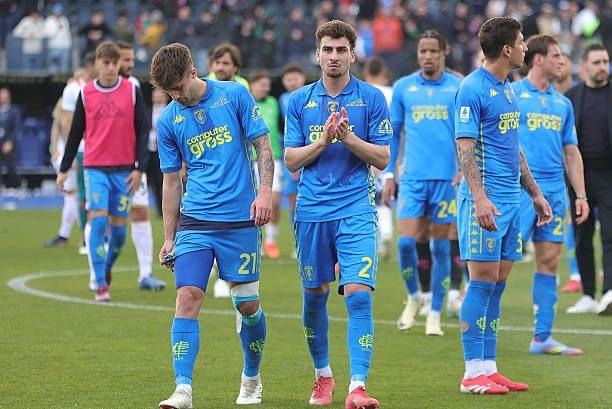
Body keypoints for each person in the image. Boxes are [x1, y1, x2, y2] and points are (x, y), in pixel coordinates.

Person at [150, 42, 273, 408]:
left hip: (240, 221)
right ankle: (183, 390)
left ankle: (251, 377)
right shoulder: (168, 120)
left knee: (247, 305)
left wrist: (265, 193)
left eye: (178, 87)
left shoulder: (234, 95)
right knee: (187, 297)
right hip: (195, 222)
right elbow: (171, 181)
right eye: (168, 92)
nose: (175, 96)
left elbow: (263, 146)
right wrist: (169, 237)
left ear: (193, 72)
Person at [284, 20, 391, 408]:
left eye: (341, 50)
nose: (334, 56)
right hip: (312, 212)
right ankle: (323, 376)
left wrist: (348, 138)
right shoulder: (299, 101)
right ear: (317, 54)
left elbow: (382, 158)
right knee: (314, 297)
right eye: (327, 50)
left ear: (352, 54)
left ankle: (357, 387)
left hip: (356, 208)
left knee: (359, 296)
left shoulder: (371, 98)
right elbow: (291, 160)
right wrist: (324, 140)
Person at [454, 17, 552, 394]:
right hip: (487, 202)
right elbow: (465, 148)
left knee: (496, 287)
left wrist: (535, 193)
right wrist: (479, 198)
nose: (526, 46)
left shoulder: (508, 88)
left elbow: (514, 147)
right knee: (480, 284)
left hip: (512, 200)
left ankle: (488, 367)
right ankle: (470, 374)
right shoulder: (472, 88)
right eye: (522, 41)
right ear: (507, 49)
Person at [381, 30, 462, 336]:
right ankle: (415, 296)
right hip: (412, 178)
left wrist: (465, 169)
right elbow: (393, 134)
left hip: (446, 179)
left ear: (444, 52)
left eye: (433, 51)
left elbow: (467, 132)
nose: (427, 56)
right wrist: (390, 174)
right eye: (422, 51)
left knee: (441, 247)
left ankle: (435, 314)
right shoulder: (404, 87)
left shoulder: (457, 87)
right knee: (406, 243)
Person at [512, 34, 589, 355]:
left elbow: (571, 151)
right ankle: (477, 328)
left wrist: (580, 195)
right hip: (517, 191)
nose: (563, 61)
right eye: (557, 55)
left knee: (549, 260)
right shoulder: (513, 94)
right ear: (538, 59)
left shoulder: (563, 104)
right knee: (499, 263)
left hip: (555, 192)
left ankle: (542, 337)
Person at [57, 42, 149, 302]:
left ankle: (107, 267)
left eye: (114, 63)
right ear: (96, 64)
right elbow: (75, 133)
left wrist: (140, 168)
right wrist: (64, 168)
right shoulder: (86, 93)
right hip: (95, 169)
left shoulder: (132, 90)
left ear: (119, 64)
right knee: (98, 222)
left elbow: (143, 131)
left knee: (119, 234)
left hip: (124, 171)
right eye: (105, 63)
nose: (109, 68)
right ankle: (100, 284)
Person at [113, 40, 166, 291]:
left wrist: (139, 163)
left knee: (141, 212)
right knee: (101, 220)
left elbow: (141, 128)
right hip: (101, 165)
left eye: (132, 59)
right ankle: (99, 276)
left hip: (131, 164)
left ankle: (145, 273)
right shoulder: (91, 90)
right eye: (126, 60)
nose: (130, 64)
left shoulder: (133, 85)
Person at [565, 43, 612, 315]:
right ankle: (587, 295)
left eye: (605, 62)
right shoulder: (571, 98)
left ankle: (609, 292)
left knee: (610, 234)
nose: (603, 67)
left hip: (609, 175)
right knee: (582, 237)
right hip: (578, 177)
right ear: (583, 66)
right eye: (597, 62)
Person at [363, 56, 394, 262]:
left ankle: (375, 238)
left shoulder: (363, 93)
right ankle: (387, 233)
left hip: (368, 151)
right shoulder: (392, 92)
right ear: (382, 72)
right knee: (385, 197)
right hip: (391, 150)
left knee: (370, 198)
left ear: (366, 72)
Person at [249, 70, 283, 259]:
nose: (266, 88)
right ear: (252, 85)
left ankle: (271, 240)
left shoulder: (273, 103)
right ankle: (256, 240)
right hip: (251, 160)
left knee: (274, 201)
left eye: (267, 85)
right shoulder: (246, 103)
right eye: (262, 85)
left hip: (273, 159)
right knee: (251, 203)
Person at [44, 74, 81, 248]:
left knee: (74, 194)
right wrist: (58, 150)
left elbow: (57, 125)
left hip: (74, 150)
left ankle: (68, 234)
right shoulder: (66, 101)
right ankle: (72, 234)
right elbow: (58, 125)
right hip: (71, 151)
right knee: (73, 194)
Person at [279, 64, 306, 223]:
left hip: (308, 149)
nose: (292, 82)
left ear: (303, 79)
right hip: (290, 149)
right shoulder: (283, 99)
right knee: (292, 196)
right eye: (289, 79)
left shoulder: (310, 96)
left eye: (295, 79)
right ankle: (297, 233)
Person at [147, 87, 169, 217]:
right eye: (155, 96)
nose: (158, 98)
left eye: (160, 95)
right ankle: (159, 210)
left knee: (166, 180)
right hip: (151, 151)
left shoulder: (170, 111)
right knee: (154, 181)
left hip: (166, 151)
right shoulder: (148, 111)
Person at [0, 87, 20, 189]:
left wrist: (10, 142)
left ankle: (15, 186)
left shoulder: (14, 111)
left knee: (10, 165)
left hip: (9, 143)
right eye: (1, 97)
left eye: (5, 97)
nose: (3, 99)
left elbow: (16, 129)